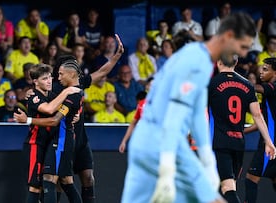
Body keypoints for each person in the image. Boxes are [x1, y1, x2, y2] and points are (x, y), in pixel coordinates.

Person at [121, 12, 257, 203]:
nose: (243, 54)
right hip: (163, 145)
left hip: (145, 142)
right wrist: (167, 167)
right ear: (228, 36)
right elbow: (174, 115)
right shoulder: (197, 63)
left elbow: (196, 114)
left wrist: (207, 160)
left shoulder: (195, 55)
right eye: (242, 46)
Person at [15, 34, 124, 203]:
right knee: (60, 180)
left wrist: (116, 56)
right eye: (57, 73)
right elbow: (48, 108)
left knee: (84, 178)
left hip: (77, 137)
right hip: (61, 136)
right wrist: (32, 93)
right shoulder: (55, 87)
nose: (55, 77)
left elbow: (102, 72)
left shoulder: (77, 84)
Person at [208, 57, 276, 203]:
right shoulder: (247, 85)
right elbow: (257, 115)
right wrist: (269, 142)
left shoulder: (211, 83)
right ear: (236, 62)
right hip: (239, 143)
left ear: (219, 62)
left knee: (226, 188)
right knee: (226, 187)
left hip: (219, 142)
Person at [20, 63, 81, 203]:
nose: (49, 81)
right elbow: (48, 110)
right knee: (35, 186)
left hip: (49, 143)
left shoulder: (52, 95)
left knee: (57, 181)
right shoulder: (33, 96)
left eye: (50, 78)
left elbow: (64, 110)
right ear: (35, 81)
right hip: (35, 144)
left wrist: (73, 116)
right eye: (44, 79)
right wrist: (67, 91)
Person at [244, 57, 276, 203]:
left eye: (265, 69)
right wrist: (243, 131)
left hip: (269, 144)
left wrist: (235, 80)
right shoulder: (270, 93)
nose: (261, 72)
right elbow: (262, 121)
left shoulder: (272, 87)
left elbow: (256, 88)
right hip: (272, 142)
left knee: (251, 179)